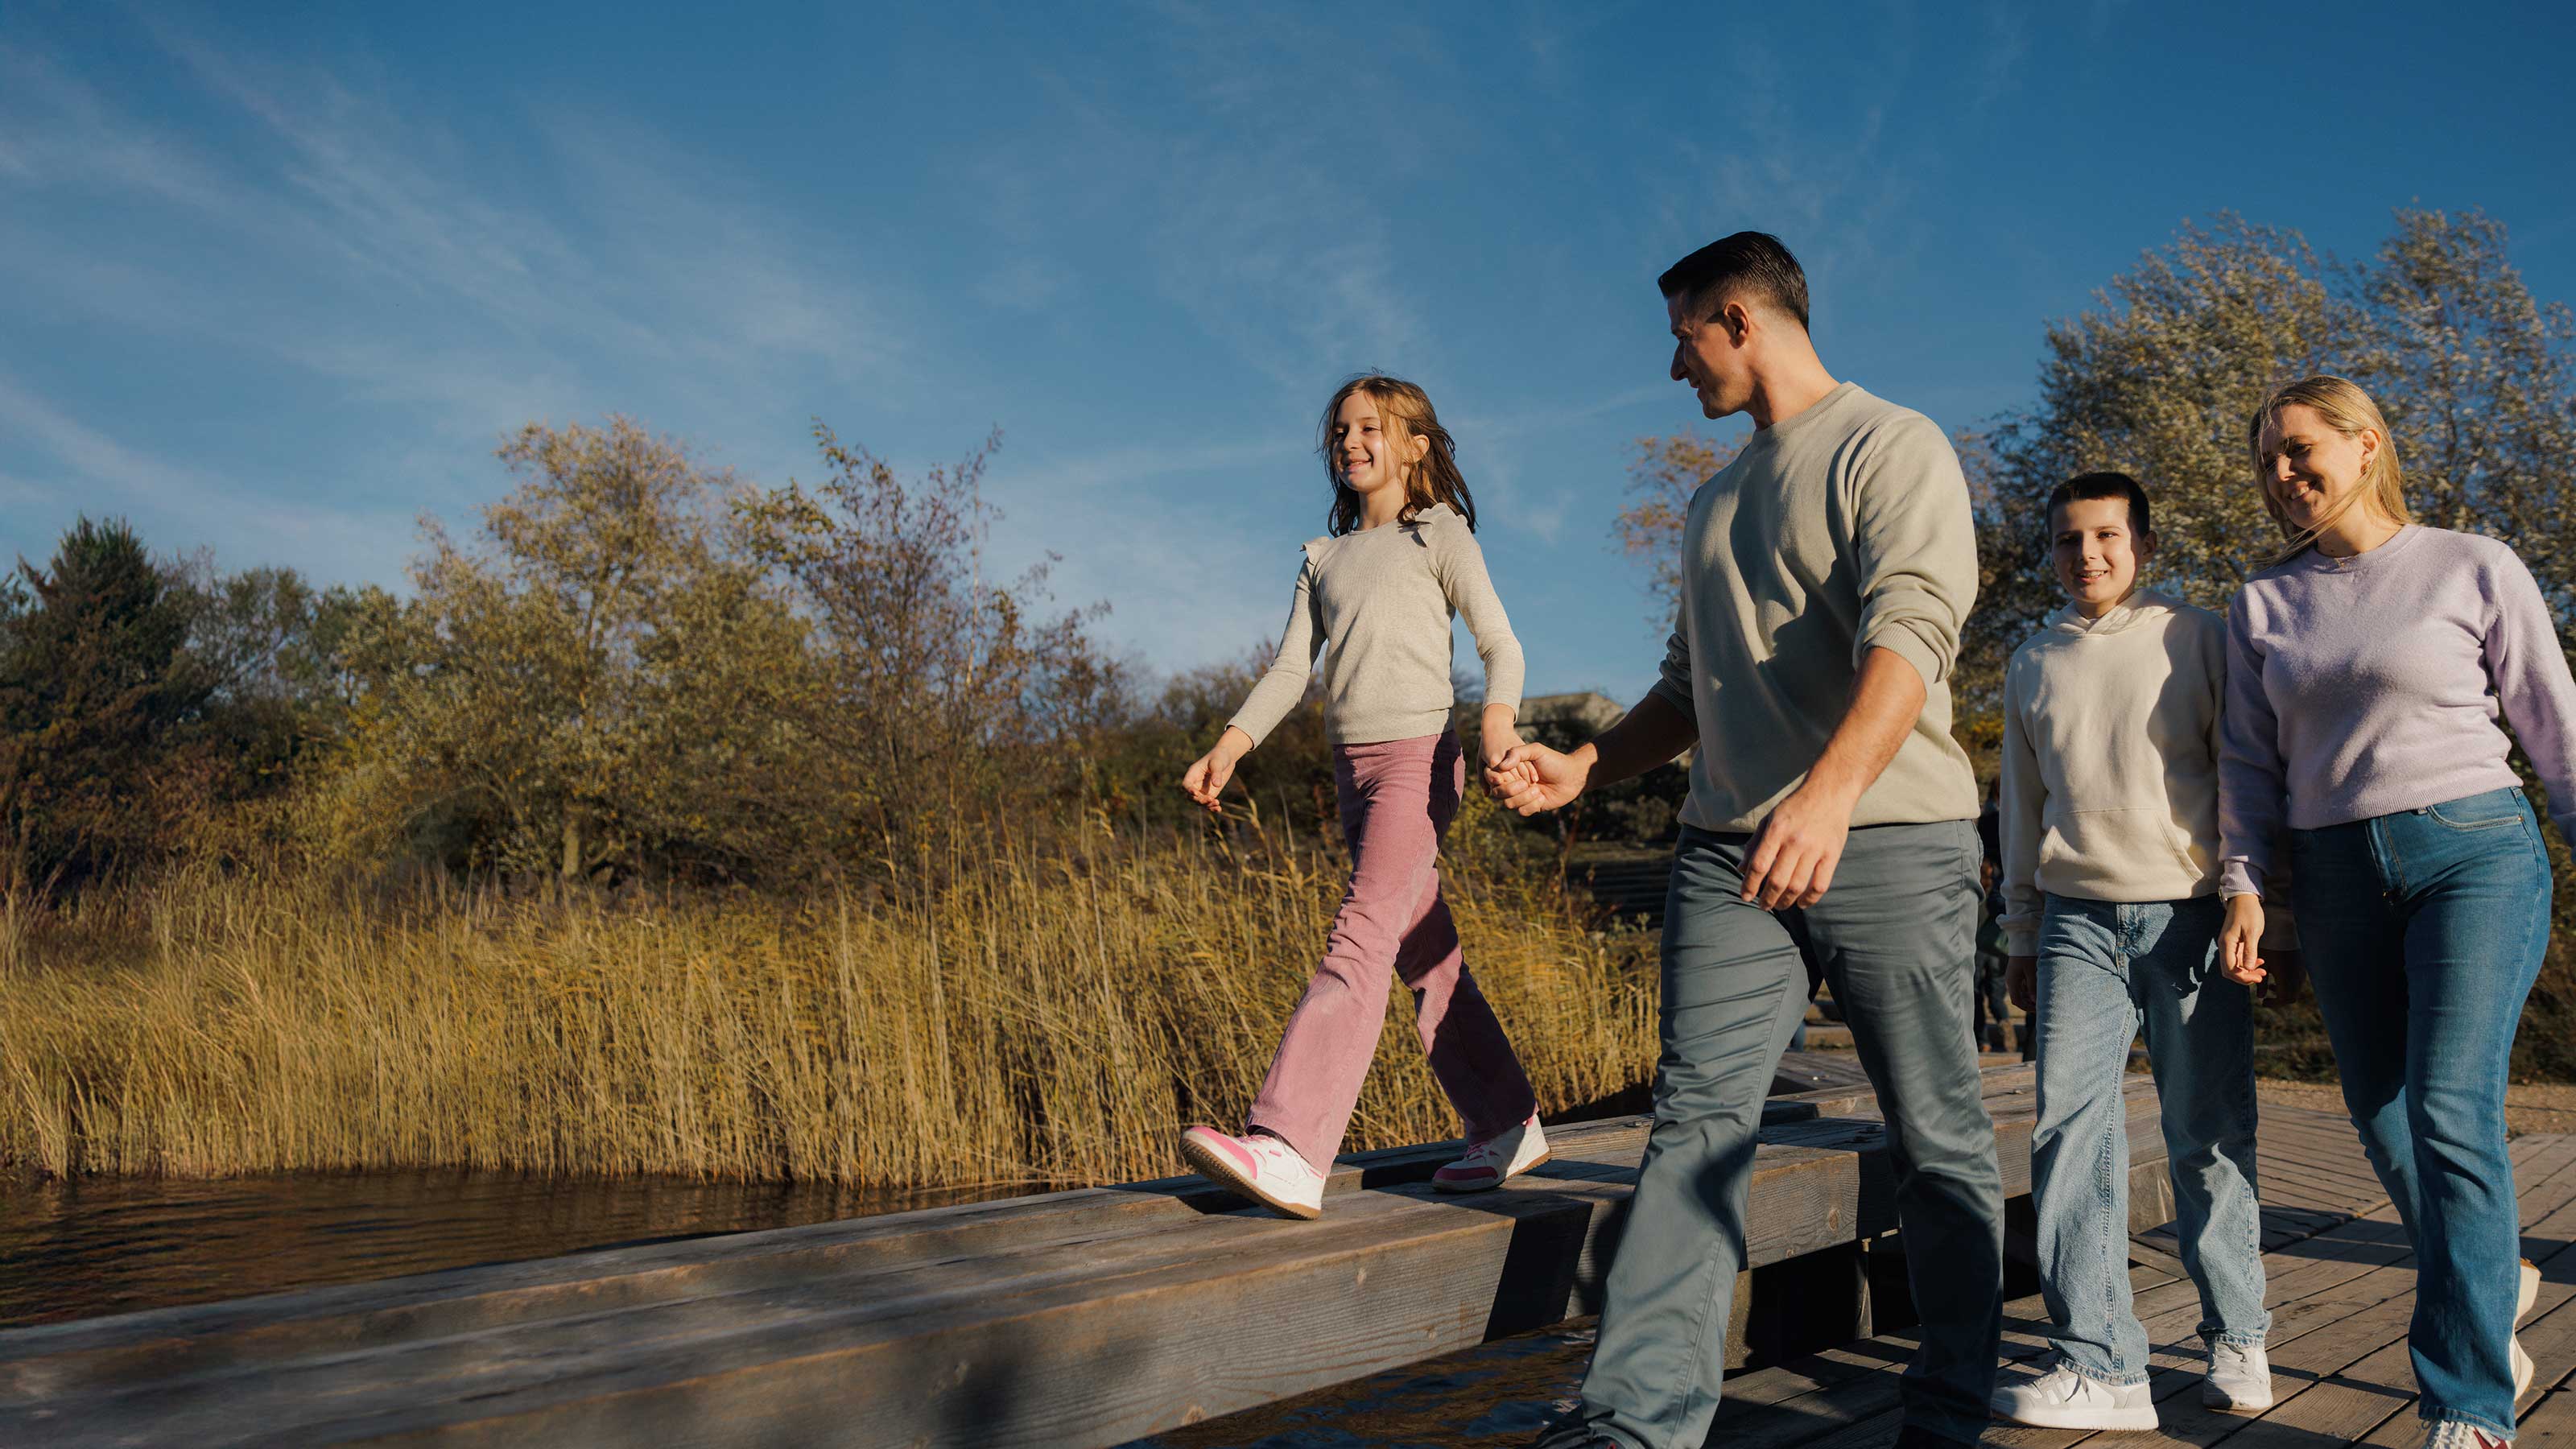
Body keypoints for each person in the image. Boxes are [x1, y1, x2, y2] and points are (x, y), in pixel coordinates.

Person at [1497, 232, 2002, 1449]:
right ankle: (1639, 1422)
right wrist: (1586, 762)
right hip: (1728, 854)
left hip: (1887, 835)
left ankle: (1945, 1412)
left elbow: (1913, 636)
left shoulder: (1894, 444)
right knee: (1695, 1124)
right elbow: (1685, 688)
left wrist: (1828, 796)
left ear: (1736, 316)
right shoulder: (1714, 501)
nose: (1677, 369)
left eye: (1681, 340)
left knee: (1933, 1129)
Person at [2219, 375, 2576, 1449]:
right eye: (2267, 462)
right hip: (2332, 877)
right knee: (2379, 1113)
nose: (2282, 478)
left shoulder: (2473, 565)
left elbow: (2554, 722)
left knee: (2449, 1107)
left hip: (2473, 853)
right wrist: (2245, 880)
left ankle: (2468, 1406)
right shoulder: (2260, 605)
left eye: (2298, 451)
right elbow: (2247, 763)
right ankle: (2489, 1278)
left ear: (2366, 444)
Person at [1174, 373, 1546, 1220]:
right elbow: (1286, 670)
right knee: (1424, 953)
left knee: (1361, 934)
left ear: (1414, 443)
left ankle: (1291, 1145)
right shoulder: (1323, 558)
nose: (1349, 441)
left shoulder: (1437, 536)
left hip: (1419, 760)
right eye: (1339, 430)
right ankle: (1506, 1121)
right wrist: (1228, 746)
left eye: (1370, 427)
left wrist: (1496, 727)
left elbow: (1501, 643)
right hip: (1353, 768)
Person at [1987, 471, 2274, 1429]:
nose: (2087, 556)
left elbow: (2242, 772)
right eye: (2068, 540)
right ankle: (2100, 1364)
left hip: (2188, 912)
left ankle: (2237, 1334)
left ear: (2142, 545)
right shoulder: (2030, 661)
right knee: (2067, 1130)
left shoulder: (2194, 638)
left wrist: (2245, 891)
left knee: (2204, 1133)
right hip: (2073, 921)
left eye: (2106, 536)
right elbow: (2020, 814)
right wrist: (2019, 933)